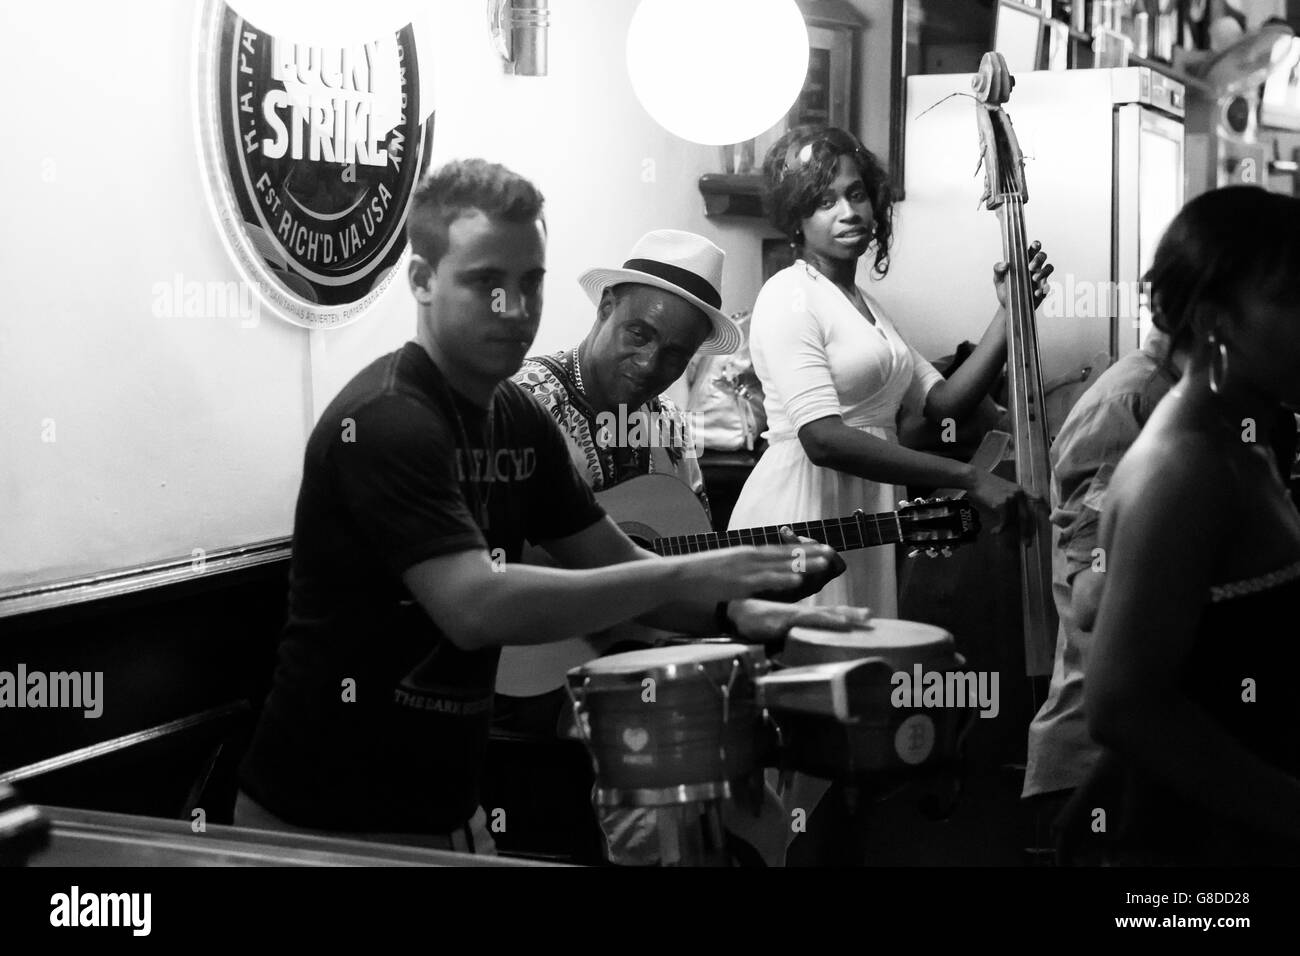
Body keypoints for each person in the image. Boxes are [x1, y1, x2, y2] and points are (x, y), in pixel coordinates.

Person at [234, 159, 857, 854]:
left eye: (529, 283)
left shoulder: (514, 418)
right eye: (484, 283)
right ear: (420, 280)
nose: (514, 308)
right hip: (319, 821)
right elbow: (476, 607)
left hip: (445, 810)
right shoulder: (389, 420)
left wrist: (767, 618)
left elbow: (616, 567)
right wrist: (696, 574)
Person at [501, 228, 855, 866]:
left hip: (649, 650)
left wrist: (759, 580)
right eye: (640, 333)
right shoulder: (529, 406)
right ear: (606, 305)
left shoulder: (669, 425)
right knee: (673, 755)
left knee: (761, 734)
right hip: (540, 666)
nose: (651, 365)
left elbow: (679, 558)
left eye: (675, 354)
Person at [1058, 186, 1300, 865]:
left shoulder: (1242, 438)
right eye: (1291, 299)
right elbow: (1123, 706)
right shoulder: (1186, 465)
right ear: (1218, 320)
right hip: (1190, 854)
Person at [728, 126, 1052, 618]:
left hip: (868, 509)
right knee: (818, 666)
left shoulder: (868, 308)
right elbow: (823, 439)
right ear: (797, 219)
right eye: (824, 201)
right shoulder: (788, 295)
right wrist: (969, 477)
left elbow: (944, 404)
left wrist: (1009, 315)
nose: (849, 212)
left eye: (856, 194)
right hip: (804, 510)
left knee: (866, 663)